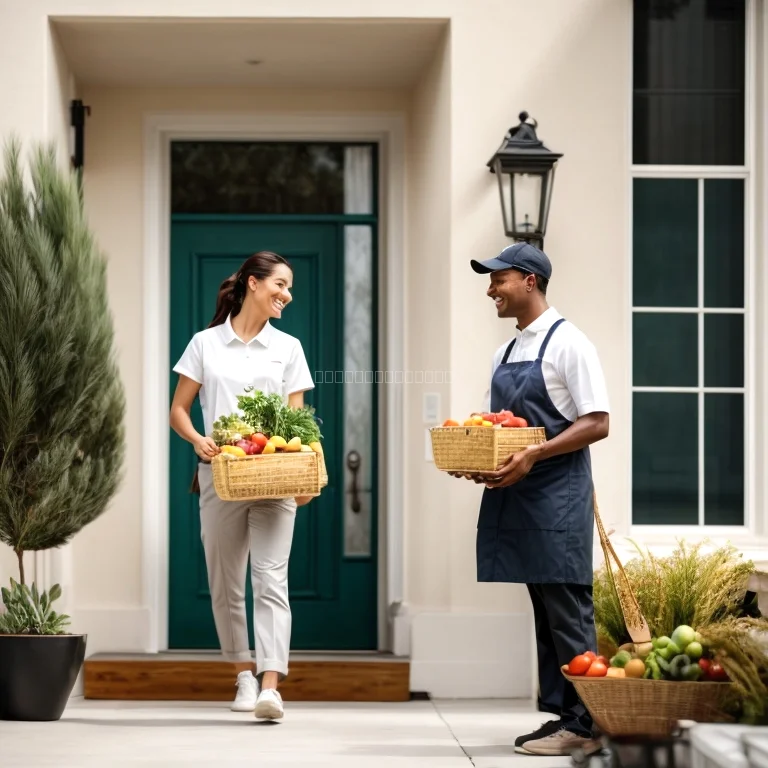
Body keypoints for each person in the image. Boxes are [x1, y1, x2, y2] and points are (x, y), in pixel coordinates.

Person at [460, 242, 610, 758]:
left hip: (557, 497)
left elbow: (598, 422)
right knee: (546, 611)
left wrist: (533, 455)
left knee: (568, 610)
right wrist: (479, 460)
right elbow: (493, 427)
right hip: (519, 496)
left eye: (497, 279)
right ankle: (565, 717)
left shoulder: (571, 344)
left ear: (528, 280)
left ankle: (589, 725)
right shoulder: (508, 351)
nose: (490, 289)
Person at [170, 251, 315, 721]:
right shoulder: (205, 344)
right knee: (226, 582)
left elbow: (298, 418)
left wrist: (310, 468)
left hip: (274, 473)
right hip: (221, 476)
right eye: (280, 285)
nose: (287, 295)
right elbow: (179, 410)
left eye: (289, 288)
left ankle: (271, 686)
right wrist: (198, 439)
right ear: (253, 283)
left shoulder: (287, 347)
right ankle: (242, 675)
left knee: (271, 578)